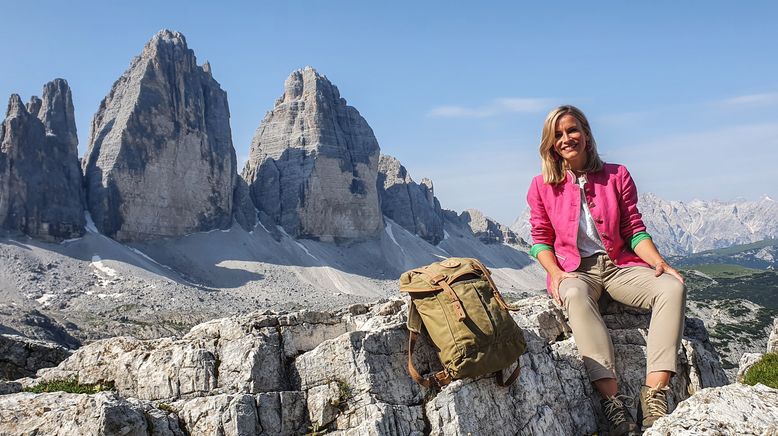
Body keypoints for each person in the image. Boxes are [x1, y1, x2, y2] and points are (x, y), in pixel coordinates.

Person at [526, 105, 686, 435]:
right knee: (573, 293)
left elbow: (634, 230)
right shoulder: (541, 186)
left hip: (619, 266)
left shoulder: (617, 174)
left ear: (585, 133)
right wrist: (556, 274)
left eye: (572, 130)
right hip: (576, 270)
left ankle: (654, 395)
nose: (566, 138)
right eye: (558, 134)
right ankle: (614, 405)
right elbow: (540, 240)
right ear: (550, 143)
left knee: (672, 288)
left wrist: (659, 262)